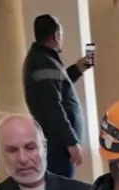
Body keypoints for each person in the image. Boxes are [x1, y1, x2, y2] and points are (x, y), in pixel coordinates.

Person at [22, 14, 93, 178]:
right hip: (57, 146)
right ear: (55, 36)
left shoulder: (44, 59)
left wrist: (77, 69)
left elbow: (57, 87)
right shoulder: (43, 62)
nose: (62, 39)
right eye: (61, 35)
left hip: (57, 143)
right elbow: (52, 106)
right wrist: (71, 142)